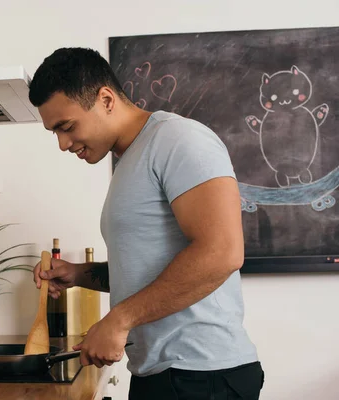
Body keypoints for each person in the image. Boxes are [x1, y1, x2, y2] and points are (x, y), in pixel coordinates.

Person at [28, 47, 264, 400]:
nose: (63, 144)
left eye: (67, 126)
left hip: (202, 376)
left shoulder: (178, 139)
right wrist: (79, 275)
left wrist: (119, 320)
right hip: (165, 374)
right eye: (55, 133)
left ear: (106, 99)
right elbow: (149, 272)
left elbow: (222, 253)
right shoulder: (129, 160)